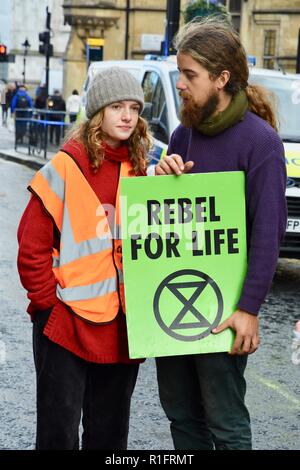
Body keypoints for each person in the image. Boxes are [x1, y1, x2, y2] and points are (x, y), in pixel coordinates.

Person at [154, 16, 287, 450]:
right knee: (180, 414)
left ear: (222, 78)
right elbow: (165, 222)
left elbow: (268, 232)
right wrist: (162, 178)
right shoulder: (182, 135)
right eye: (179, 73)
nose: (180, 84)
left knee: (225, 420)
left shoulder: (260, 142)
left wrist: (249, 308)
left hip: (225, 309)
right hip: (173, 305)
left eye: (189, 75)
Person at [17, 67, 152, 450]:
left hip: (123, 326)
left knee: (110, 438)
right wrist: (47, 305)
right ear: (97, 113)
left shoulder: (142, 171)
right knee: (58, 437)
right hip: (65, 323)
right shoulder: (65, 166)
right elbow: (31, 246)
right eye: (116, 107)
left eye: (133, 108)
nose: (127, 116)